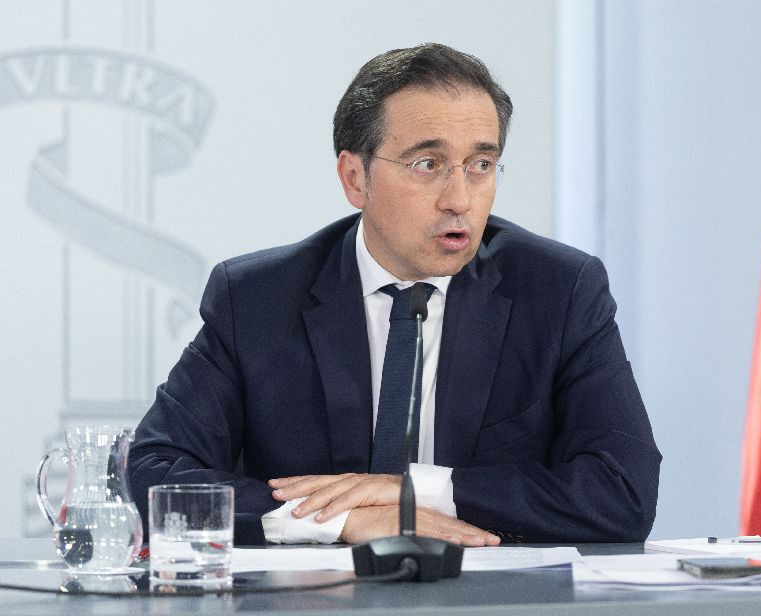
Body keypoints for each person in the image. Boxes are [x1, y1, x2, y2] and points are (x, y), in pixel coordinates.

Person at [129, 43, 661, 546]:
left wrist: (416, 494)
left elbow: (623, 492)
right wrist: (337, 520)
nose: (460, 199)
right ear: (355, 178)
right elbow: (154, 473)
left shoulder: (559, 291)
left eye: (481, 165)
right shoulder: (258, 299)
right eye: (428, 164)